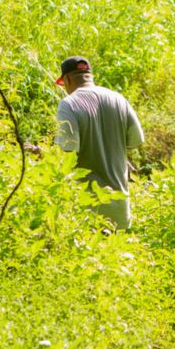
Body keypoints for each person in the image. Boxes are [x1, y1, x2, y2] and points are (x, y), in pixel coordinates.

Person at [55, 56, 144, 230]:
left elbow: (68, 151)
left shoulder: (68, 104)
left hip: (88, 212)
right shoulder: (119, 99)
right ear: (89, 76)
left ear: (66, 79)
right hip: (120, 211)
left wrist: (41, 153)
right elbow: (136, 140)